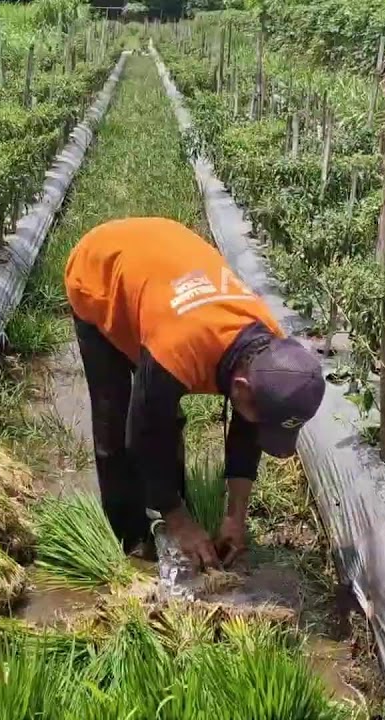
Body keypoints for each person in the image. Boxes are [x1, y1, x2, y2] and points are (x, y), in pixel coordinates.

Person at [63, 217, 326, 570]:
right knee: (117, 422)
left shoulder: (272, 353)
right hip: (102, 268)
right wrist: (181, 522)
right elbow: (140, 434)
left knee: (163, 409)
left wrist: (235, 517)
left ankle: (167, 507)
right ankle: (131, 539)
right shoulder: (180, 348)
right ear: (240, 387)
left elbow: (248, 428)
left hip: (165, 264)